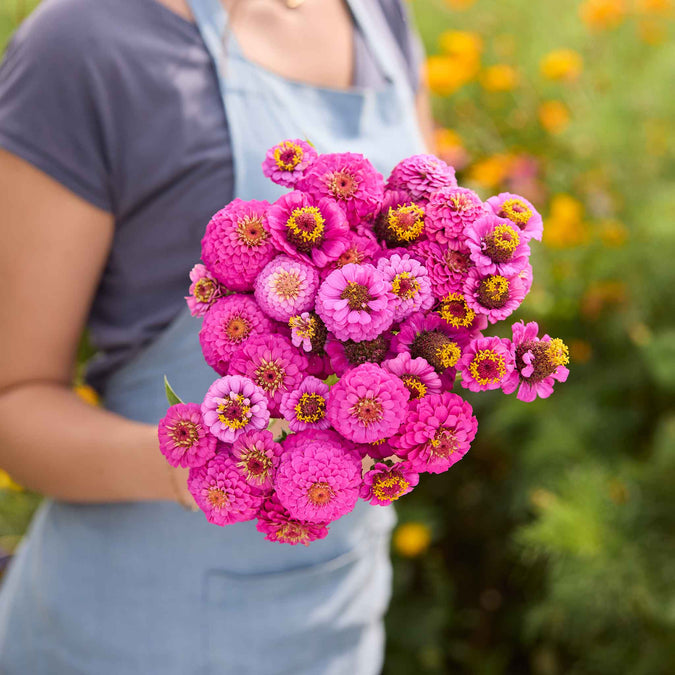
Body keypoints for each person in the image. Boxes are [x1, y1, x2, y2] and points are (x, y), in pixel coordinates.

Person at [0, 0, 434, 672]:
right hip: (136, 628)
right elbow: (13, 399)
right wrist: (199, 464)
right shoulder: (83, 44)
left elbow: (426, 258)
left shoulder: (376, 14)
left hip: (339, 606)